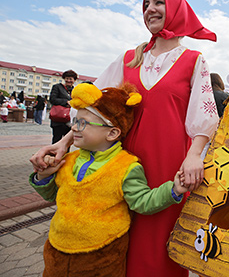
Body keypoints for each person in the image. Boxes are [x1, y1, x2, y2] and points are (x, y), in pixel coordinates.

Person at [30, 0, 218, 277]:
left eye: (158, 2)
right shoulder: (130, 58)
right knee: (115, 231)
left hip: (167, 162)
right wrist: (64, 143)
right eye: (146, 4)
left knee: (159, 239)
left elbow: (203, 116)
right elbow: (92, 104)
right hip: (120, 162)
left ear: (176, 9)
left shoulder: (194, 61)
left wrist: (194, 155)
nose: (150, 9)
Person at [30, 83, 188, 276]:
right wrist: (43, 176)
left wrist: (174, 189)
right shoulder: (68, 160)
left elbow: (142, 202)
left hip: (102, 256)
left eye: (82, 123)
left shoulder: (126, 167)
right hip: (57, 249)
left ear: (112, 133)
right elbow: (54, 195)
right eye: (75, 121)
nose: (74, 129)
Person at [49, 70, 77, 143]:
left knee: (67, 141)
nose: (68, 80)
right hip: (58, 118)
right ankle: (54, 154)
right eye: (67, 78)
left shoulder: (75, 90)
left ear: (74, 80)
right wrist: (66, 102)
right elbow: (52, 99)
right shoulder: (57, 87)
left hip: (69, 119)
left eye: (70, 79)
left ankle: (66, 154)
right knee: (56, 140)